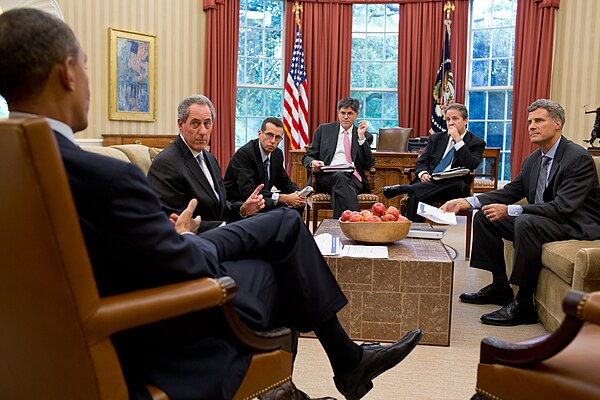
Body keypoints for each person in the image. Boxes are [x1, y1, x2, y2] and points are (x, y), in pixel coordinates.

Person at [0, 8, 423, 400]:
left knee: (279, 230)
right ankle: (310, 378)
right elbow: (181, 268)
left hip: (66, 331)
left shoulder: (16, 167)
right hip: (155, 327)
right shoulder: (105, 178)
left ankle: (331, 369)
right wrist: (181, 234)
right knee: (282, 250)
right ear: (68, 73)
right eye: (87, 67)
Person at [442, 98, 600, 326]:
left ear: (558, 123)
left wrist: (512, 210)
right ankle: (500, 287)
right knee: (486, 216)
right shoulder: (533, 160)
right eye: (529, 122)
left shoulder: (577, 159)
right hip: (546, 219)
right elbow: (509, 192)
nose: (532, 126)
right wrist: (467, 202)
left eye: (539, 120)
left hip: (573, 224)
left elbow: (562, 208)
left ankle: (524, 304)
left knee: (524, 222)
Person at [147, 94, 264, 233]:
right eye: (195, 123)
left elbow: (220, 208)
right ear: (180, 124)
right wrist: (225, 228)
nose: (203, 131)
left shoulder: (209, 158)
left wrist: (242, 210)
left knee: (277, 221)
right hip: (195, 242)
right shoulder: (166, 163)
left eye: (207, 123)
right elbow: (174, 221)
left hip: (220, 235)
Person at [382, 103, 485, 222]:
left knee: (455, 183)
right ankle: (413, 230)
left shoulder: (477, 142)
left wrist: (458, 140)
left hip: (453, 187)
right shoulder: (436, 138)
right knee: (418, 195)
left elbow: (471, 164)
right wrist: (423, 173)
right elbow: (422, 162)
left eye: (455, 119)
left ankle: (405, 189)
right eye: (448, 119)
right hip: (430, 182)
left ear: (465, 120)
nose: (451, 123)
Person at [302, 97, 375, 218]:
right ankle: (356, 220)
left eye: (350, 113)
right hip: (325, 177)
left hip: (353, 179)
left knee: (339, 187)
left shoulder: (364, 135)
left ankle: (340, 227)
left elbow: (368, 163)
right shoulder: (324, 130)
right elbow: (308, 156)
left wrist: (361, 138)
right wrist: (313, 162)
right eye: (343, 113)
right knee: (340, 177)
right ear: (338, 113)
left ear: (356, 115)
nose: (346, 117)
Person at [224, 117, 306, 213]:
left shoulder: (277, 154)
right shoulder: (244, 154)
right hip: (240, 201)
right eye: (269, 135)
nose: (273, 141)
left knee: (297, 204)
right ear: (260, 134)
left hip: (262, 198)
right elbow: (249, 191)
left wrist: (297, 193)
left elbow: (284, 182)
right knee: (272, 204)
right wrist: (283, 198)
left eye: (277, 137)